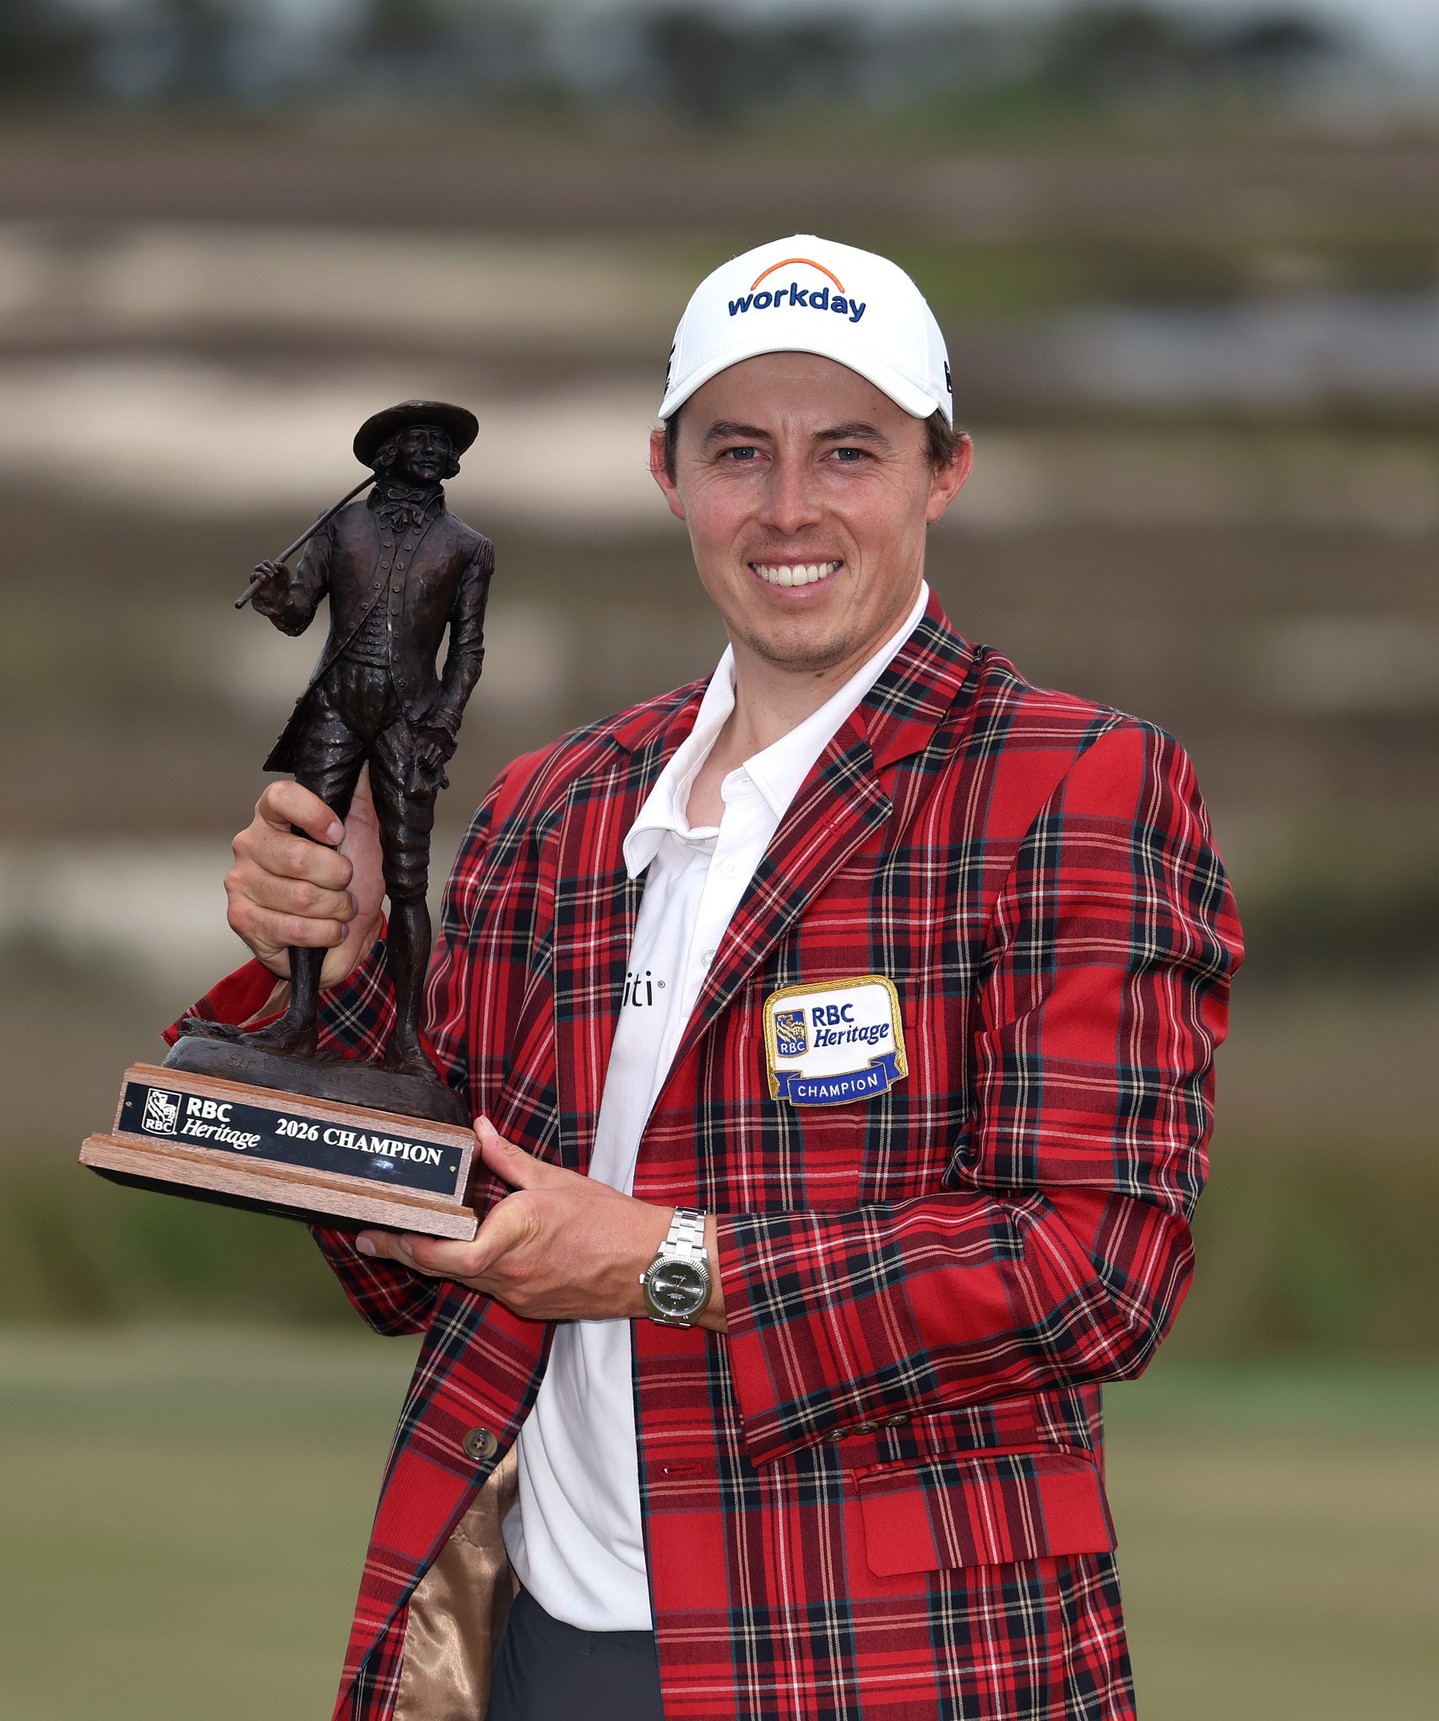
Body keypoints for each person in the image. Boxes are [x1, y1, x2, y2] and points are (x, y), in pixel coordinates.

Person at [176, 236, 1242, 1721]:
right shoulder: (556, 803)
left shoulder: (1077, 782)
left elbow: (1091, 1273)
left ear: (942, 472)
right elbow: (401, 1262)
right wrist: (343, 964)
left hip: (888, 1667)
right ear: (667, 474)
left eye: (847, 451)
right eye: (738, 451)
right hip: (541, 1648)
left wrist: (668, 1262)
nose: (788, 507)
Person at [188, 399, 492, 1078]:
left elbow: (467, 651)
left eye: (440, 444)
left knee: (408, 881)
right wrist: (275, 595)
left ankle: (406, 1040)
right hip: (335, 706)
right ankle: (299, 1016)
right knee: (307, 859)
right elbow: (300, 614)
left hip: (410, 721)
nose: (431, 452)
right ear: (387, 456)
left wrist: (442, 724)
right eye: (417, 441)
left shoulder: (469, 547)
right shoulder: (339, 526)